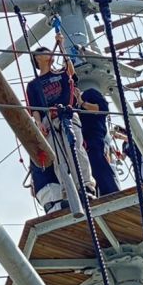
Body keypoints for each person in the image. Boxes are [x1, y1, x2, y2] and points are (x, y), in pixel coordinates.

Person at [26, 42, 96, 214]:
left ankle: (86, 186)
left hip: (67, 114)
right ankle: (67, 192)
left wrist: (61, 45)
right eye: (46, 53)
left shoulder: (61, 74)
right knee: (58, 158)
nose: (51, 54)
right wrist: (39, 124)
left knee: (76, 150)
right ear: (37, 58)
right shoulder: (33, 85)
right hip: (48, 120)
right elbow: (35, 109)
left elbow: (71, 71)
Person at [77, 88, 120, 196]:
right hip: (81, 142)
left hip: (94, 137)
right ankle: (95, 194)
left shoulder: (89, 93)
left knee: (99, 164)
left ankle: (111, 193)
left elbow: (103, 109)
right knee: (88, 170)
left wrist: (82, 103)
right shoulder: (69, 102)